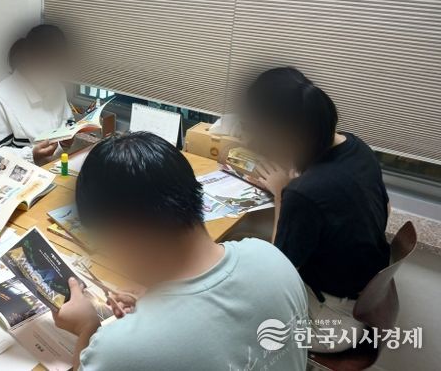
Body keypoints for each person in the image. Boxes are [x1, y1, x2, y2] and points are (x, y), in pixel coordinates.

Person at [53, 132, 308, 370]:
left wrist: (87, 328)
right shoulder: (271, 257)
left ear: (123, 232)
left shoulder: (117, 350)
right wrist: (157, 297)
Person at [243, 67, 391, 352]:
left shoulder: (304, 194)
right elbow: (387, 206)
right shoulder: (357, 147)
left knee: (231, 308)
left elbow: (277, 272)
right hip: (362, 301)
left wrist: (282, 194)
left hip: (329, 322)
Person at [0, 24, 74, 165]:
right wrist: (31, 155)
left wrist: (66, 141)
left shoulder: (57, 88)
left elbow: (67, 123)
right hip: (18, 175)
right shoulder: (0, 98)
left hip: (52, 168)